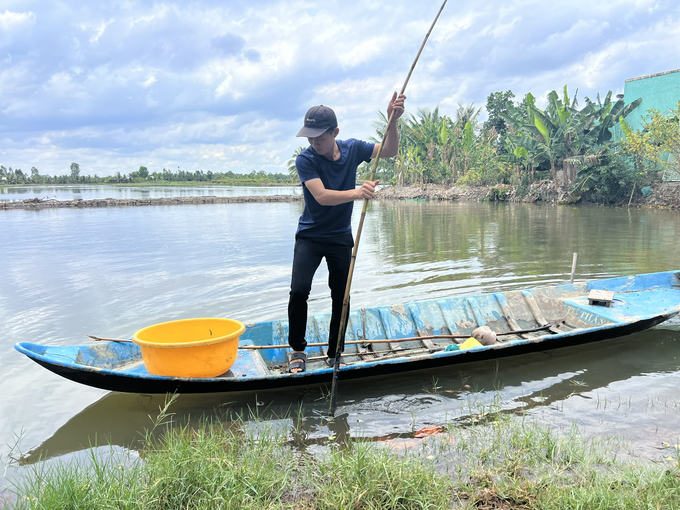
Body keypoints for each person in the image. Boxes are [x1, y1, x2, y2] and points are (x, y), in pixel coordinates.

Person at [287, 92, 406, 373]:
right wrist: (358, 192)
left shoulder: (353, 148)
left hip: (340, 236)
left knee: (341, 295)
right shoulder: (306, 160)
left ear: (335, 132)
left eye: (320, 137)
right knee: (298, 291)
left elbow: (389, 151)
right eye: (310, 137)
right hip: (310, 236)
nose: (314, 142)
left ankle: (335, 351)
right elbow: (321, 196)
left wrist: (394, 121)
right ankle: (297, 350)